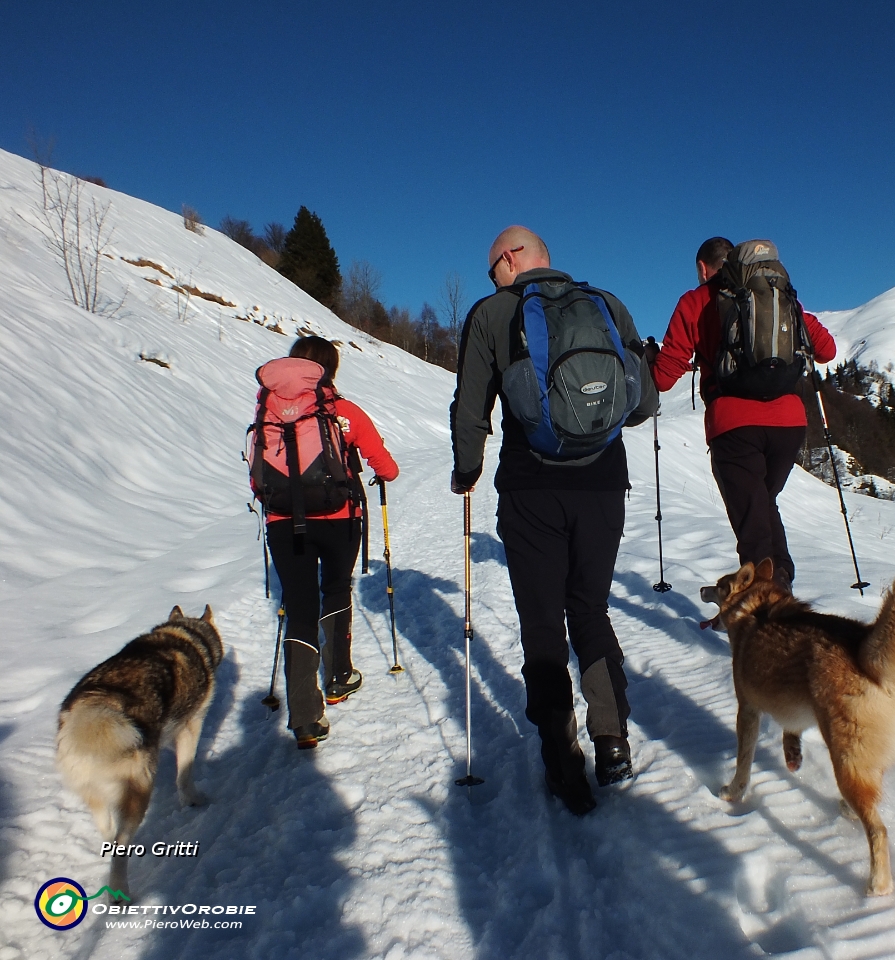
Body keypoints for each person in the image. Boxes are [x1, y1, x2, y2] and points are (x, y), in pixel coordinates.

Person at [450, 225, 657, 815]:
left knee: (542, 624)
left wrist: (466, 472)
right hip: (602, 485)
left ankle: (563, 760)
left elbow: (471, 408)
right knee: (589, 608)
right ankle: (612, 741)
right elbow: (643, 403)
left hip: (530, 490)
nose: (491, 278)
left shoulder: (491, 314)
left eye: (492, 267)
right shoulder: (607, 304)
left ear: (512, 260)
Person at [648, 237, 837, 591]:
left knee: (753, 524)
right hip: (789, 424)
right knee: (764, 506)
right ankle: (779, 590)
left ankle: (768, 615)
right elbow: (826, 350)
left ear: (703, 268)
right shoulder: (777, 296)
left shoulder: (695, 301)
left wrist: (650, 362)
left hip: (734, 426)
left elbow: (663, 377)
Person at [258, 336, 399, 749]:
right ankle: (339, 677)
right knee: (335, 588)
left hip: (283, 522)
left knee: (298, 605)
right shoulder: (343, 412)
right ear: (328, 370)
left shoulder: (267, 410)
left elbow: (257, 475)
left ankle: (304, 717)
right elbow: (386, 467)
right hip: (339, 519)